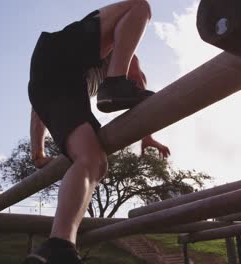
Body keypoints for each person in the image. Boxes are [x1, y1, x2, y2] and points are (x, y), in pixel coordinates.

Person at [24, 1, 170, 263]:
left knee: (94, 162)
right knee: (139, 6)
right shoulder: (102, 46)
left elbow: (40, 108)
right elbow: (136, 74)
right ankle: (115, 84)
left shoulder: (81, 80)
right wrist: (38, 152)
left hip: (55, 87)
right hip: (59, 57)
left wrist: (38, 152)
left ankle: (59, 245)